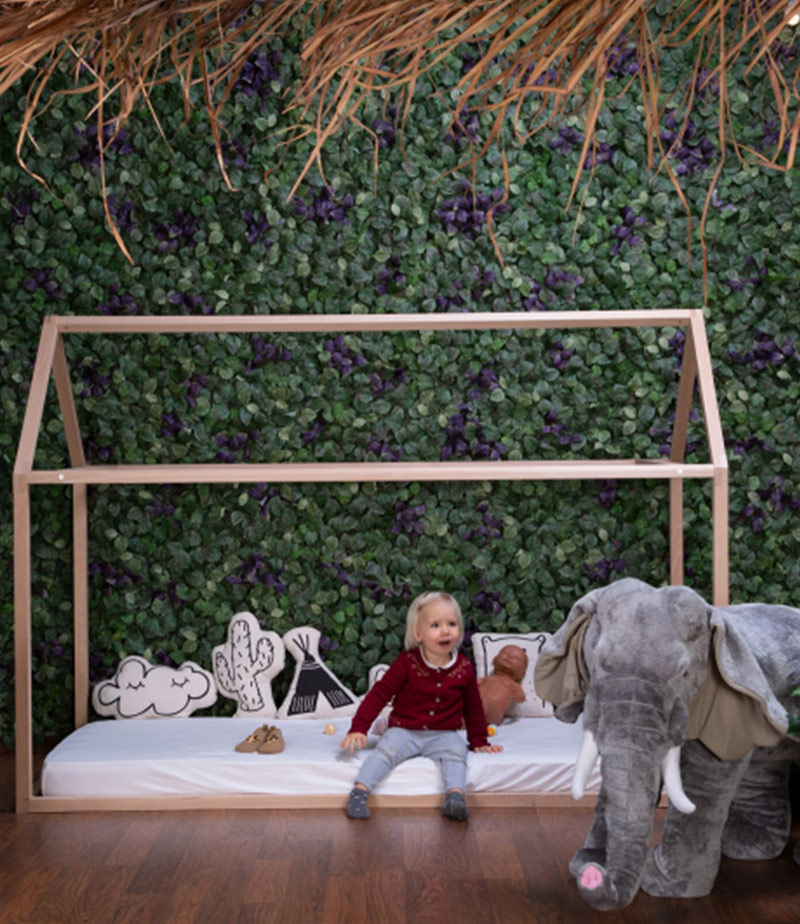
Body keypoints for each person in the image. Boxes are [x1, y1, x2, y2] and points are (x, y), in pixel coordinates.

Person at [341, 590, 502, 821]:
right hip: (404, 729)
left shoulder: (464, 668)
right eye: (435, 625)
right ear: (418, 633)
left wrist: (479, 742)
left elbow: (473, 707)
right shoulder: (407, 663)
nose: (445, 631)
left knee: (457, 753)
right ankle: (359, 792)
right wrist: (359, 727)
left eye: (452, 624)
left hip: (443, 733)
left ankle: (455, 797)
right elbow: (378, 695)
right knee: (386, 750)